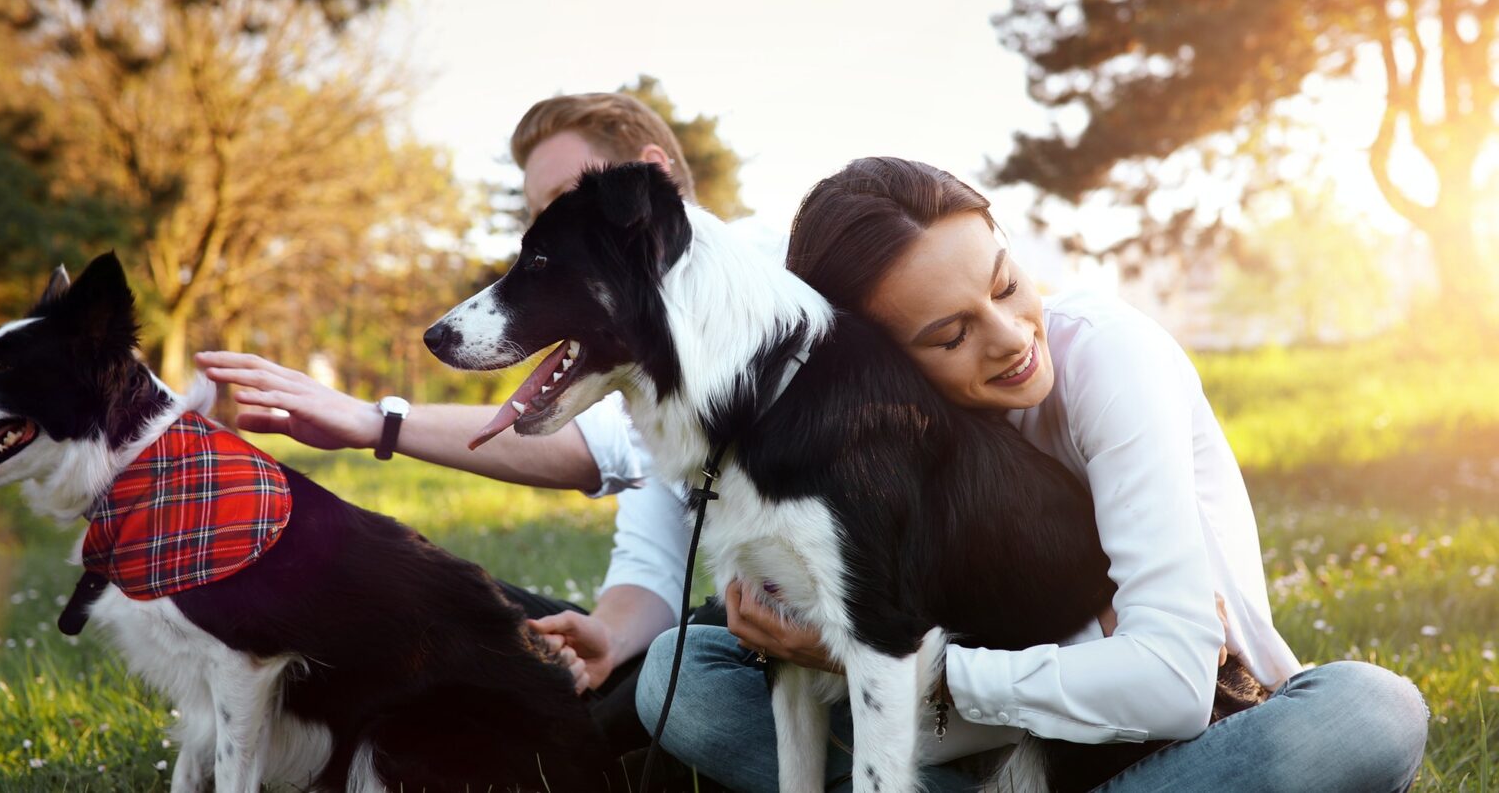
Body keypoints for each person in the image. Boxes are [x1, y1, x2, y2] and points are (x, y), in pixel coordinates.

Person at [634, 158, 1429, 792]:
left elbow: (1174, 687)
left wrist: (901, 663)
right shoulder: (870, 438)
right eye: (952, 334)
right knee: (683, 671)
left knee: (1369, 711)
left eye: (1008, 283)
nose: (1012, 338)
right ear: (876, 362)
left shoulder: (1108, 357)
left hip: (1174, 744)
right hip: (958, 739)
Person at [194, 92, 712, 759]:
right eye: (538, 217)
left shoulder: (783, 287)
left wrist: (374, 422)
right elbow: (655, 558)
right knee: (436, 597)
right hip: (675, 650)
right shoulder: (634, 363)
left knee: (689, 685)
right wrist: (605, 638)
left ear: (650, 182)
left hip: (777, 655)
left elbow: (598, 447)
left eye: (564, 203)